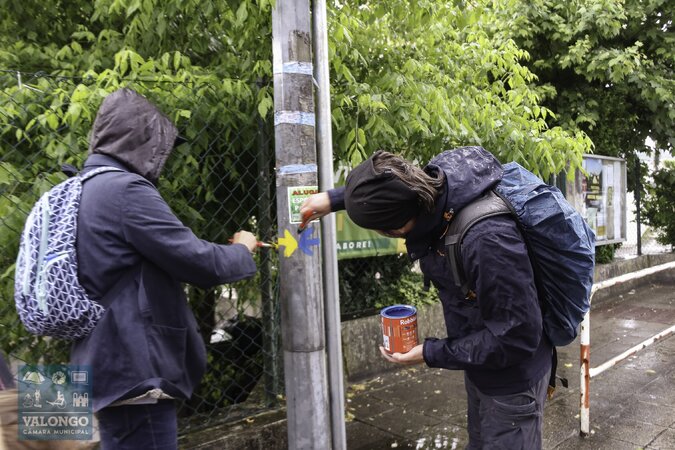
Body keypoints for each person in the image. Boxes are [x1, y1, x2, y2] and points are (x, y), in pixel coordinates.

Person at [301, 146, 552, 449]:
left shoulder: (487, 241)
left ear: (396, 228)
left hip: (513, 383)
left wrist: (429, 353)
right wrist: (333, 199)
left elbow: (517, 337)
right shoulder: (434, 187)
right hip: (482, 366)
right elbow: (388, 186)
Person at [70, 88, 258, 450]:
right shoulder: (124, 190)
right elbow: (199, 261)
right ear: (143, 141)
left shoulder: (81, 188)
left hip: (101, 361)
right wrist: (243, 249)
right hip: (134, 368)